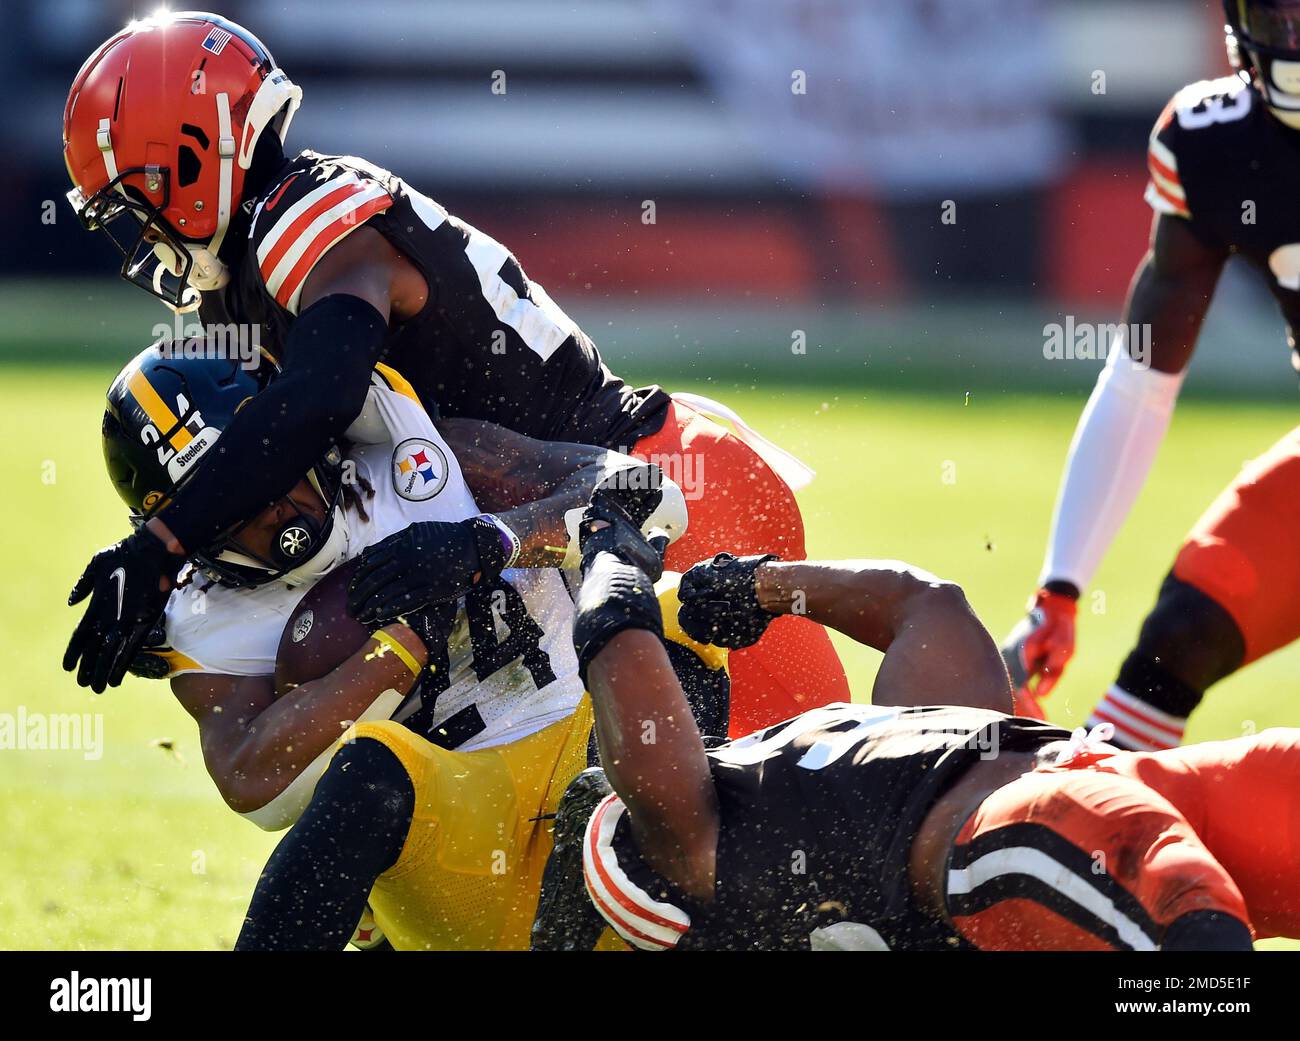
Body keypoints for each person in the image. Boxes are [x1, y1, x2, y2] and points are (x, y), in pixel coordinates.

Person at [60, 10, 848, 731]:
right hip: (543, 545)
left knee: (809, 815)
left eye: (138, 198)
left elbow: (317, 401)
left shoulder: (306, 213)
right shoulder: (244, 290)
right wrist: (173, 604)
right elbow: (302, 495)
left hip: (654, 492)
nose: (134, 233)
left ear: (197, 155)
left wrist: (162, 544)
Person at [531, 540, 1299, 951]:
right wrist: (745, 581)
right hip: (1077, 808)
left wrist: (622, 567)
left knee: (1195, 936)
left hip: (1037, 827)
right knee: (1193, 928)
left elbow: (620, 655)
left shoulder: (701, 844)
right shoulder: (894, 741)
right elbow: (925, 604)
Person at [1003, 1, 1300, 743]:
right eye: (1282, 16)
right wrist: (1060, 591)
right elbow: (1141, 380)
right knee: (1183, 636)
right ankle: (1085, 841)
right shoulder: (1215, 144)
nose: (1295, 41)